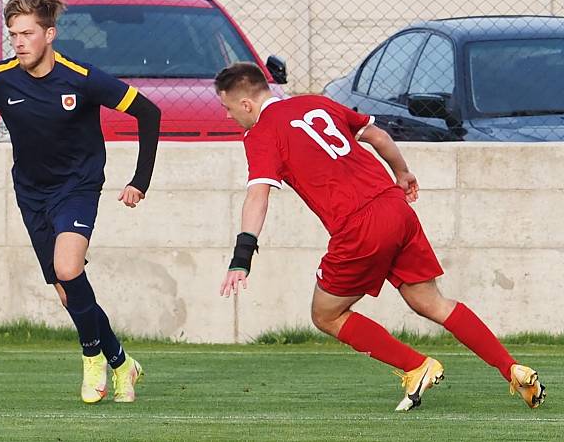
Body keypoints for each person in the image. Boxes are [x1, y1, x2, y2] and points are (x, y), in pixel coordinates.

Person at [215, 62, 545, 411]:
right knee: (430, 301)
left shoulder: (262, 132)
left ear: (247, 104)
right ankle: (512, 368)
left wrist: (242, 257)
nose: (228, 116)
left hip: (359, 227)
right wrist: (403, 174)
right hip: (396, 207)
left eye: (228, 108)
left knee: (326, 315)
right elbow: (378, 136)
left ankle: (417, 366)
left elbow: (258, 195)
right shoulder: (317, 103)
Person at [0, 0, 161, 404]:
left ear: (49, 34)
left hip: (78, 186)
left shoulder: (81, 77)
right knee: (68, 291)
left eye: (27, 33)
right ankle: (122, 363)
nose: (19, 42)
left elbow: (148, 112)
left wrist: (140, 180)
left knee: (68, 268)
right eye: (13, 35)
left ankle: (92, 360)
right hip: (31, 192)